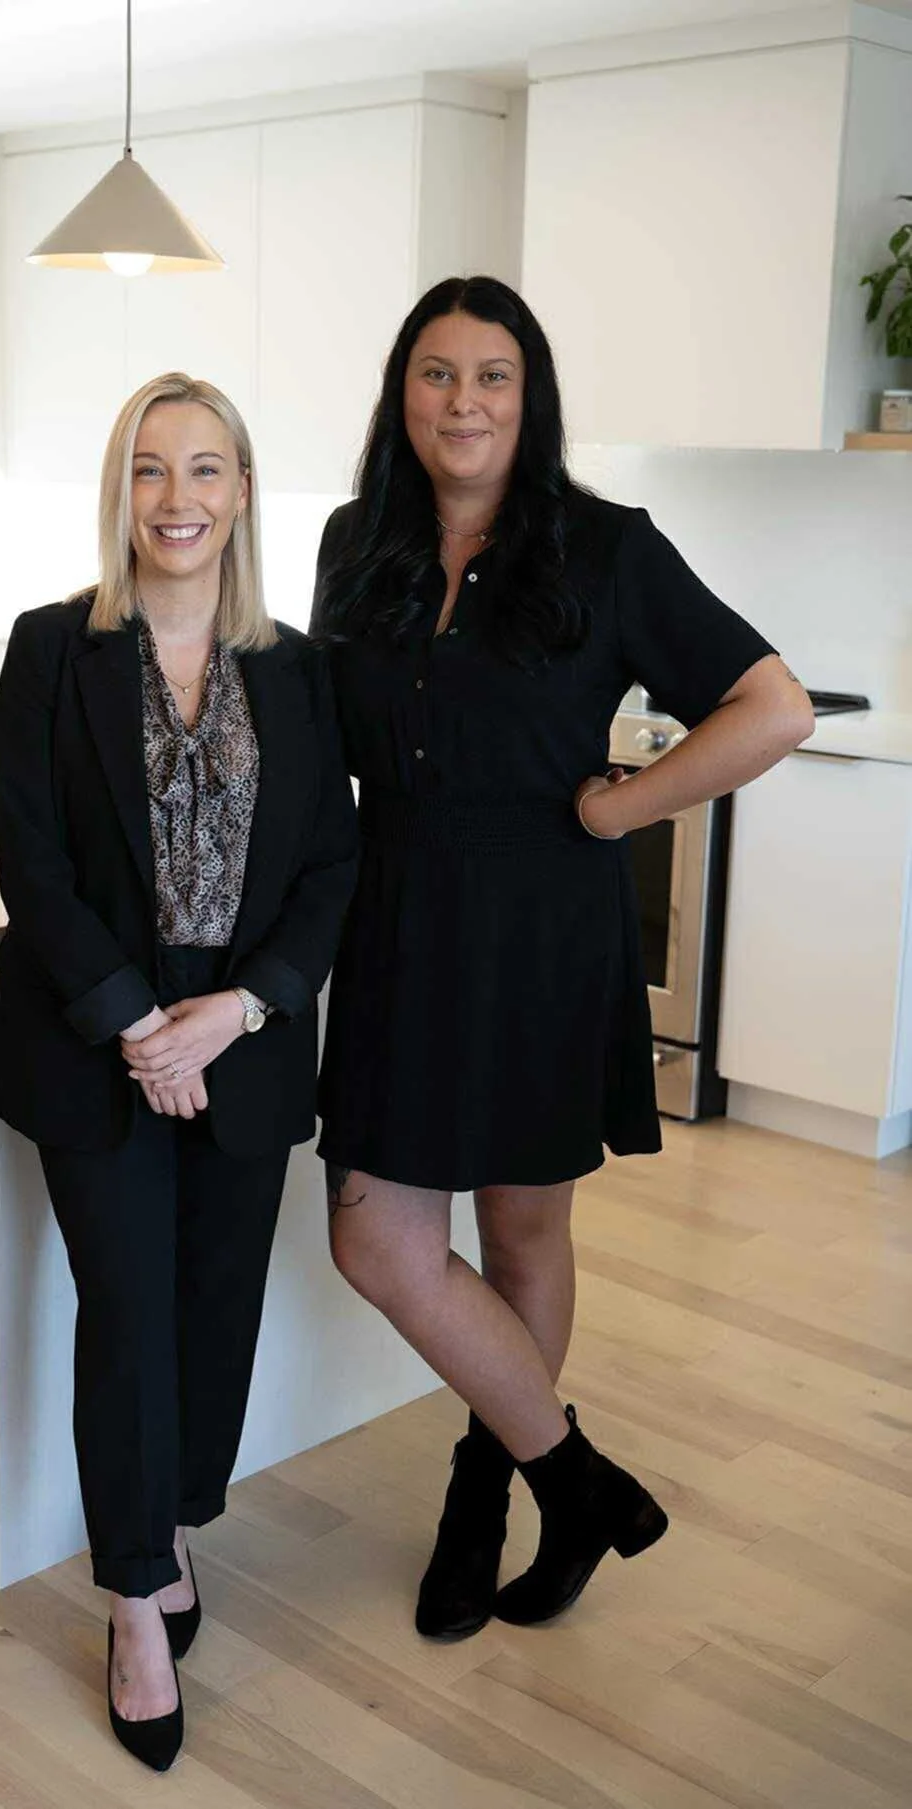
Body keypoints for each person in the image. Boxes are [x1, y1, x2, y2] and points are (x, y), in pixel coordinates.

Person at [310, 275, 814, 1642]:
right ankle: (571, 1477)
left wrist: (623, 804)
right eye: (434, 373)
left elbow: (770, 709)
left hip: (542, 926)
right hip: (399, 918)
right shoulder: (355, 540)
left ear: (527, 400)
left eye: (490, 377)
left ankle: (486, 1490)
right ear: (398, 392)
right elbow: (315, 733)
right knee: (378, 1239)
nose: (460, 401)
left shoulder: (605, 546)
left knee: (523, 1225)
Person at [0, 372, 357, 1770]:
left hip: (245, 1044)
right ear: (117, 490)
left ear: (244, 492)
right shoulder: (46, 648)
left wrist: (240, 1010)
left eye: (205, 471)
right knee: (128, 1311)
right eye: (149, 470)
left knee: (213, 1309)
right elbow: (35, 863)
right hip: (98, 1043)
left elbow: (329, 866)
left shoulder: (299, 670)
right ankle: (135, 1598)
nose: (177, 500)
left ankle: (172, 1519)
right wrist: (145, 1025)